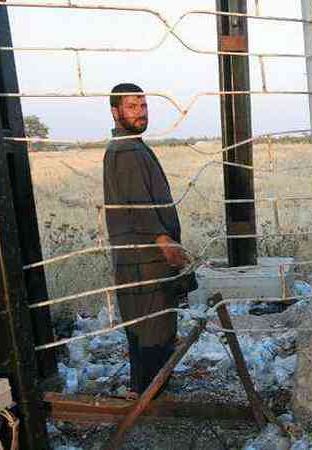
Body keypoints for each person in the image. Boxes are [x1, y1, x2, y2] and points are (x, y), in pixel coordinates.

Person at [103, 83, 197, 396]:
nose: (140, 113)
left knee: (148, 324)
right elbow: (137, 203)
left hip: (144, 257)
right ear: (116, 112)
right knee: (153, 326)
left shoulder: (132, 145)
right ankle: (152, 397)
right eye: (132, 107)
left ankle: (149, 390)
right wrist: (163, 241)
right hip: (144, 259)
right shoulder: (126, 151)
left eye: (143, 106)